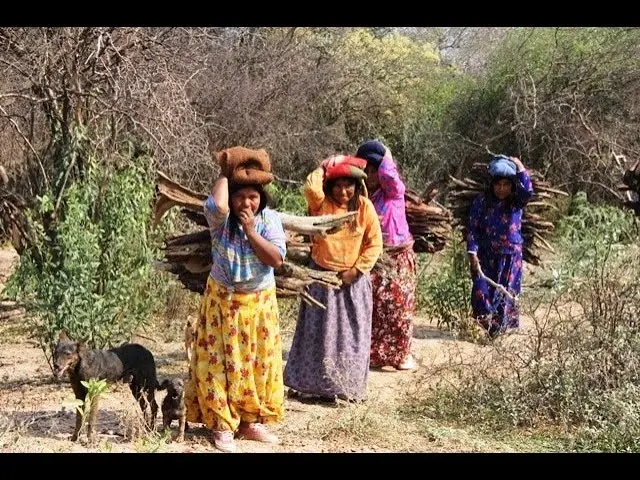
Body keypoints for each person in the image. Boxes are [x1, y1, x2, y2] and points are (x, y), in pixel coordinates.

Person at [183, 146, 287, 453]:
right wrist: (227, 172)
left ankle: (249, 422)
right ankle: (222, 425)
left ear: (262, 197)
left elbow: (275, 259)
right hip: (223, 302)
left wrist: (251, 230)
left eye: (253, 196)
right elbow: (216, 204)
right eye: (241, 196)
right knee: (220, 365)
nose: (247, 202)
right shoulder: (221, 222)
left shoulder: (269, 220)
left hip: (258, 304)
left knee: (258, 364)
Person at [283, 155, 383, 403]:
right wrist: (326, 164)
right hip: (321, 278)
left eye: (348, 185)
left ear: (357, 186)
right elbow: (310, 186)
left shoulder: (364, 209)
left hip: (352, 282)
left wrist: (355, 271)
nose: (343, 191)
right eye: (337, 185)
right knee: (316, 334)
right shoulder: (321, 205)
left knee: (351, 336)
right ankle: (308, 386)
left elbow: (374, 244)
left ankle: (347, 389)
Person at [355, 140, 417, 371]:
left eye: (374, 170)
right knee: (375, 307)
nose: (371, 176)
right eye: (366, 171)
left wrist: (386, 157)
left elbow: (389, 176)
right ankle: (374, 354)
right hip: (373, 258)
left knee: (399, 308)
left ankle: (402, 355)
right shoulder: (361, 198)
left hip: (398, 255)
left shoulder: (393, 192)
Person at [466, 155, 534, 338]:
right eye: (498, 185)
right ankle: (487, 327)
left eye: (506, 184)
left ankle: (497, 334)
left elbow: (528, 191)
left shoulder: (516, 201)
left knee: (505, 296)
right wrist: (472, 253)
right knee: (481, 292)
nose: (501, 189)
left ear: (512, 185)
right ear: (492, 184)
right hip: (486, 255)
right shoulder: (481, 202)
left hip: (511, 257)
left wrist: (519, 166)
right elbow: (473, 228)